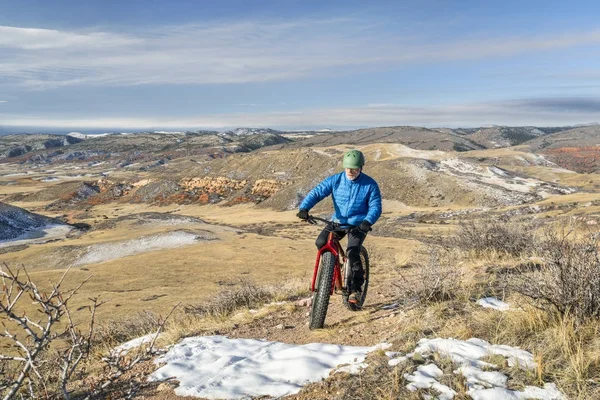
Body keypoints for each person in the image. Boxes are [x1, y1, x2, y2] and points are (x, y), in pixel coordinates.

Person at [297, 149, 382, 304]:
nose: (351, 171)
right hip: (337, 222)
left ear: (361, 168)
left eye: (355, 168)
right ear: (344, 167)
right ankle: (329, 271)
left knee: (352, 252)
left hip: (358, 225)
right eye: (348, 168)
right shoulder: (335, 180)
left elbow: (375, 206)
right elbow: (317, 192)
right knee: (321, 242)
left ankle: (355, 290)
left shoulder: (370, 184)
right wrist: (304, 208)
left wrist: (367, 221)